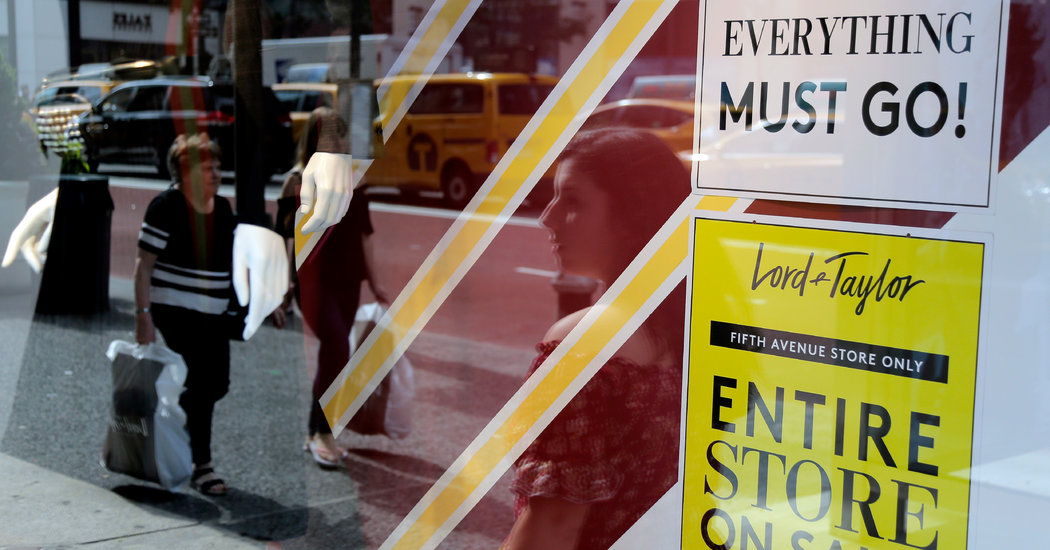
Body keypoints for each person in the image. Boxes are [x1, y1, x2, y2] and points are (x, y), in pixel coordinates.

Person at [503, 129, 690, 549]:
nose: (546, 217)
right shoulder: (697, 324)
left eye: (572, 200)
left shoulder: (584, 345)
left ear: (631, 215)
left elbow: (552, 526)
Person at [277, 106, 388, 468]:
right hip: (313, 282)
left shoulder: (355, 179)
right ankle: (322, 433)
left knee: (335, 355)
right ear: (314, 138)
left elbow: (366, 235)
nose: (338, 140)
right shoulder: (296, 179)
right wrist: (282, 286)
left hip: (348, 279)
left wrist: (375, 281)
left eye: (341, 133)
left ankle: (315, 432)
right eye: (330, 133)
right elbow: (284, 237)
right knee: (338, 347)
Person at [134, 134, 244, 496]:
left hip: (213, 314)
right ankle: (203, 465)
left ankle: (184, 417)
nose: (215, 172)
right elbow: (143, 267)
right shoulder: (165, 207)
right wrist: (143, 316)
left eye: (217, 166)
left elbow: (235, 262)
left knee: (216, 384)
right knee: (201, 379)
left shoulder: (224, 209)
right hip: (174, 310)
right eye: (206, 167)